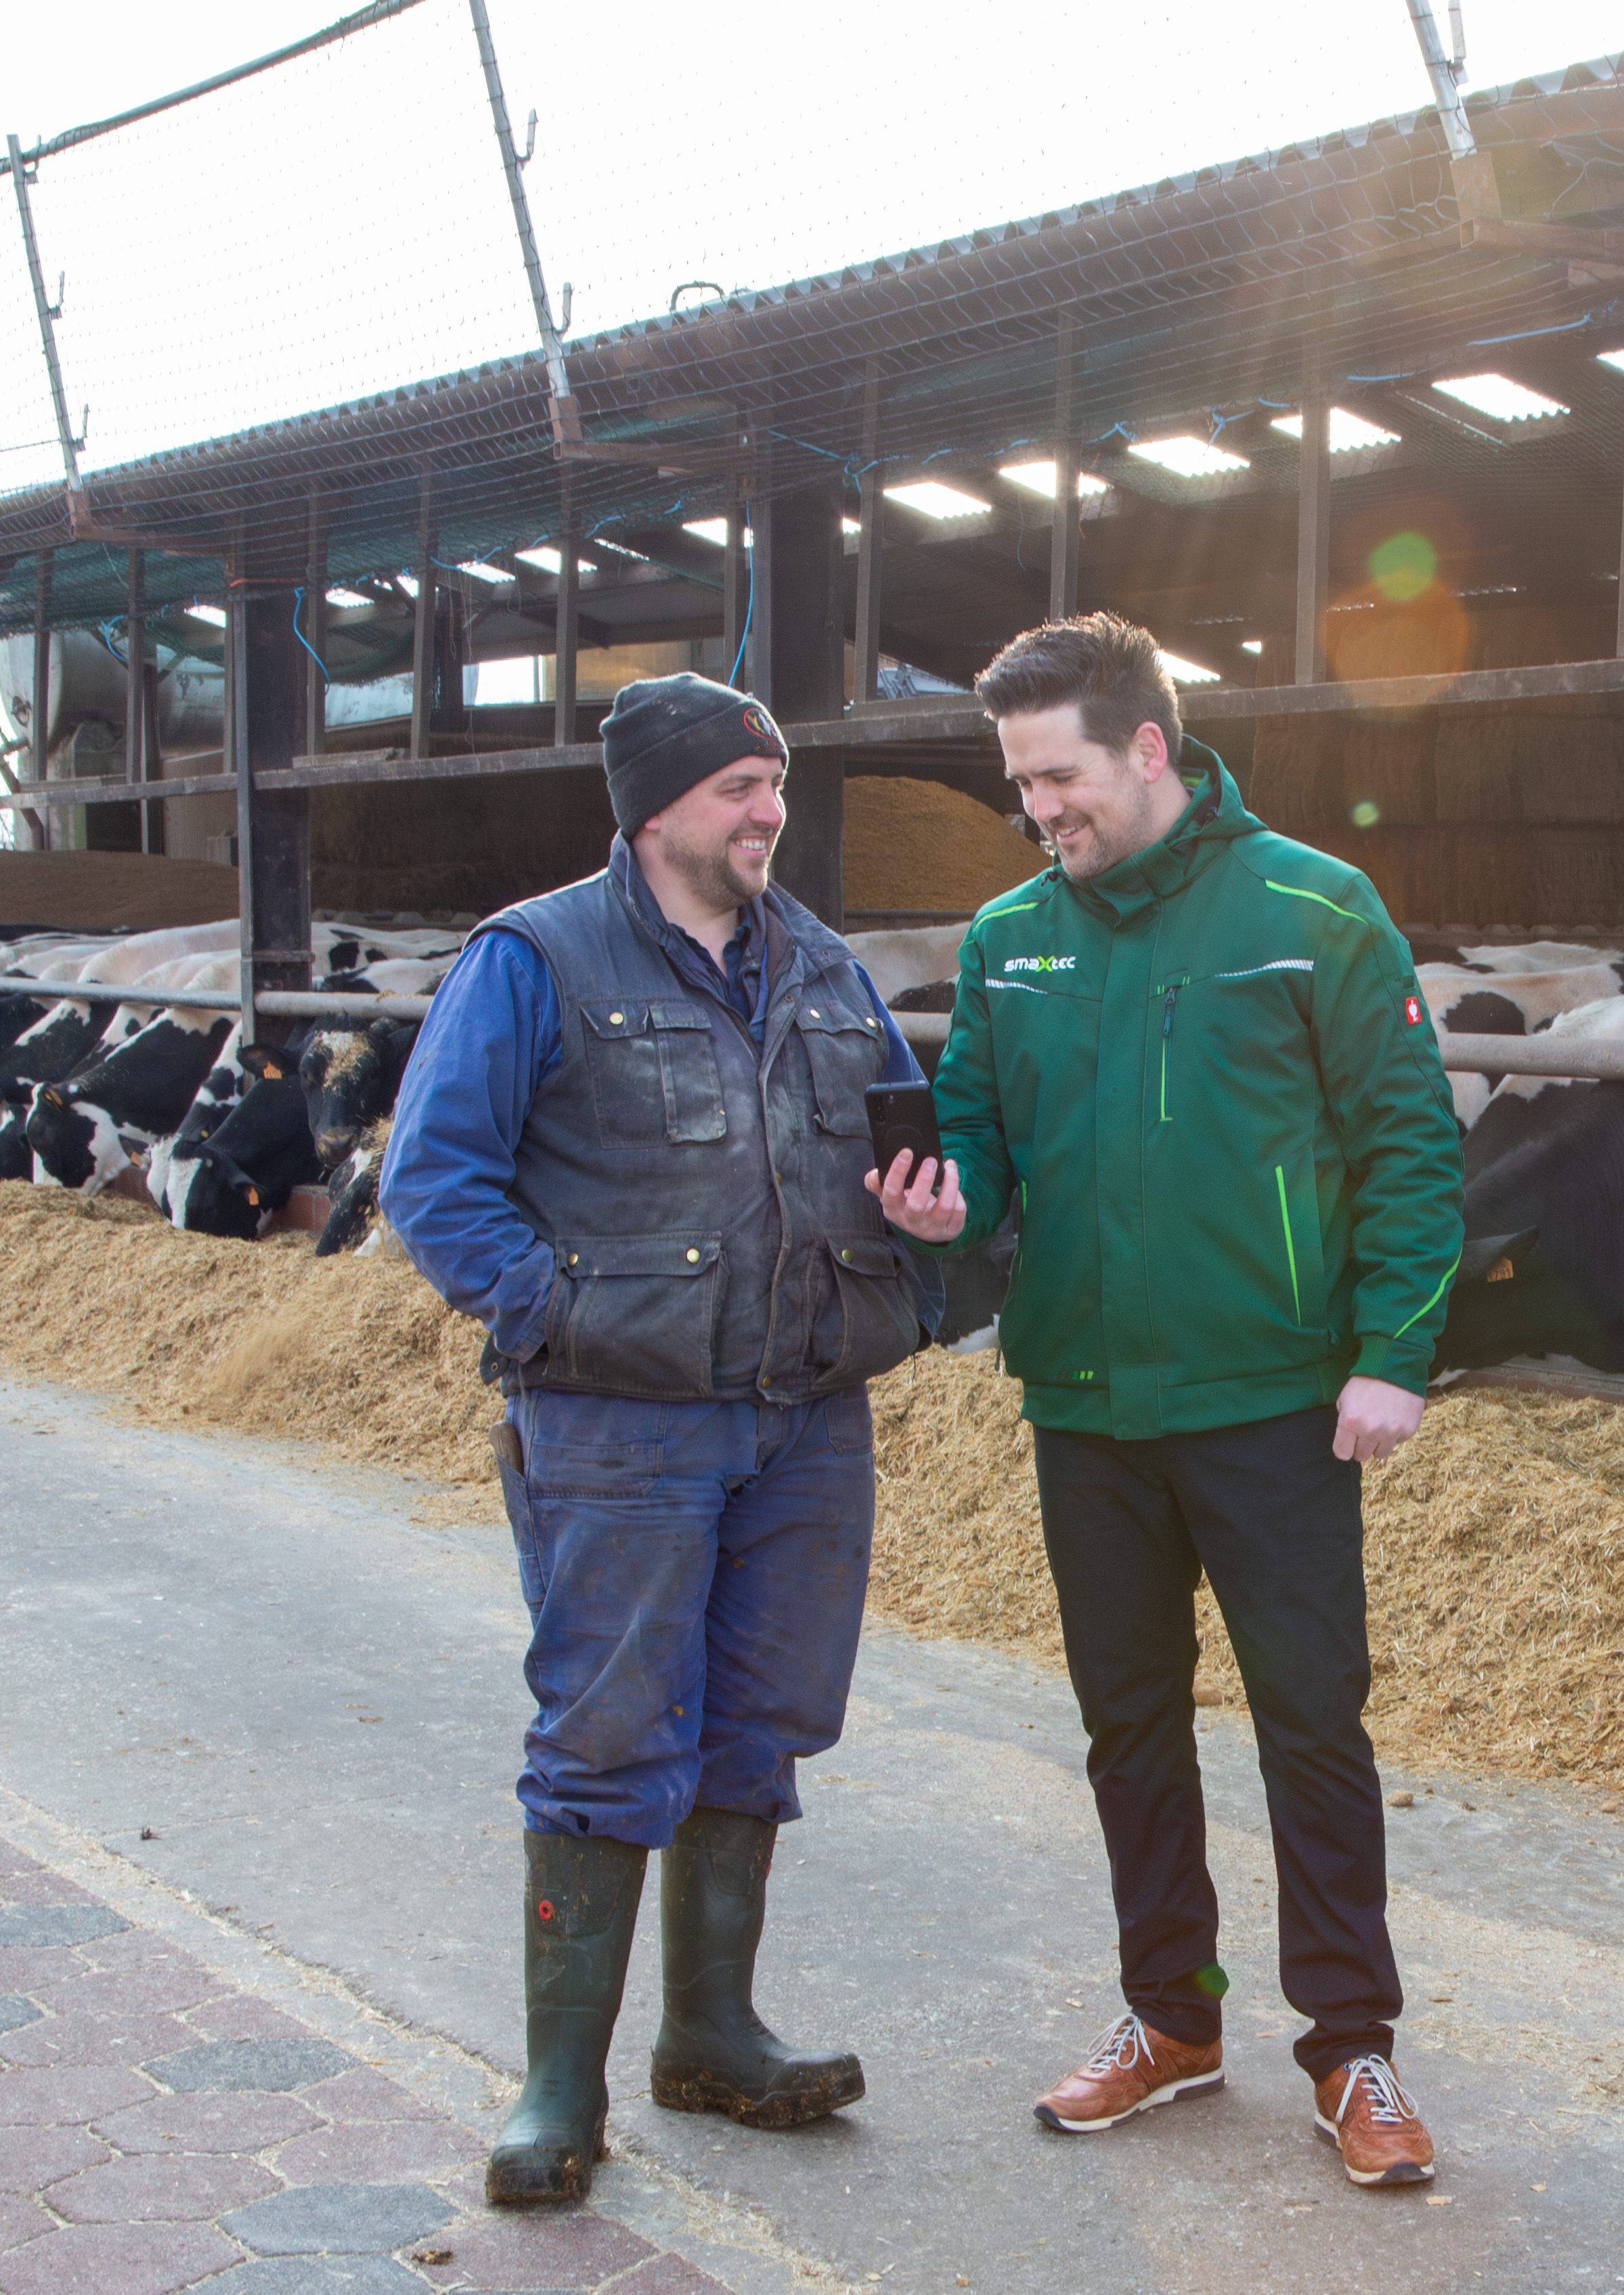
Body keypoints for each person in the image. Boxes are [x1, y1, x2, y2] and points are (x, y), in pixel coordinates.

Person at [869, 613, 1463, 2188]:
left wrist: (1393, 1352)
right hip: (1083, 1399)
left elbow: (1410, 1146)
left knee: (1308, 1722)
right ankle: (1172, 2019)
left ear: (1149, 748)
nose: (1036, 811)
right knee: (1128, 1726)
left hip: (1271, 1398)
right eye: (1017, 785)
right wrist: (948, 1203)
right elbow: (978, 1138)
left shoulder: (1311, 908)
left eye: (1056, 777)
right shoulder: (1009, 938)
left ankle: (1349, 2045)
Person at [380, 671, 936, 2206]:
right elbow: (433, 1183)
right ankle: (560, 2088)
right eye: (737, 789)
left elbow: (907, 1149)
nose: (771, 812)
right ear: (652, 811)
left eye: (776, 785)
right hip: (621, 1427)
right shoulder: (536, 958)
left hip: (804, 1417)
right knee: (608, 1733)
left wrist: (927, 1230)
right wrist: (560, 1315)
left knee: (759, 1724)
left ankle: (711, 2034)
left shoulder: (822, 964)